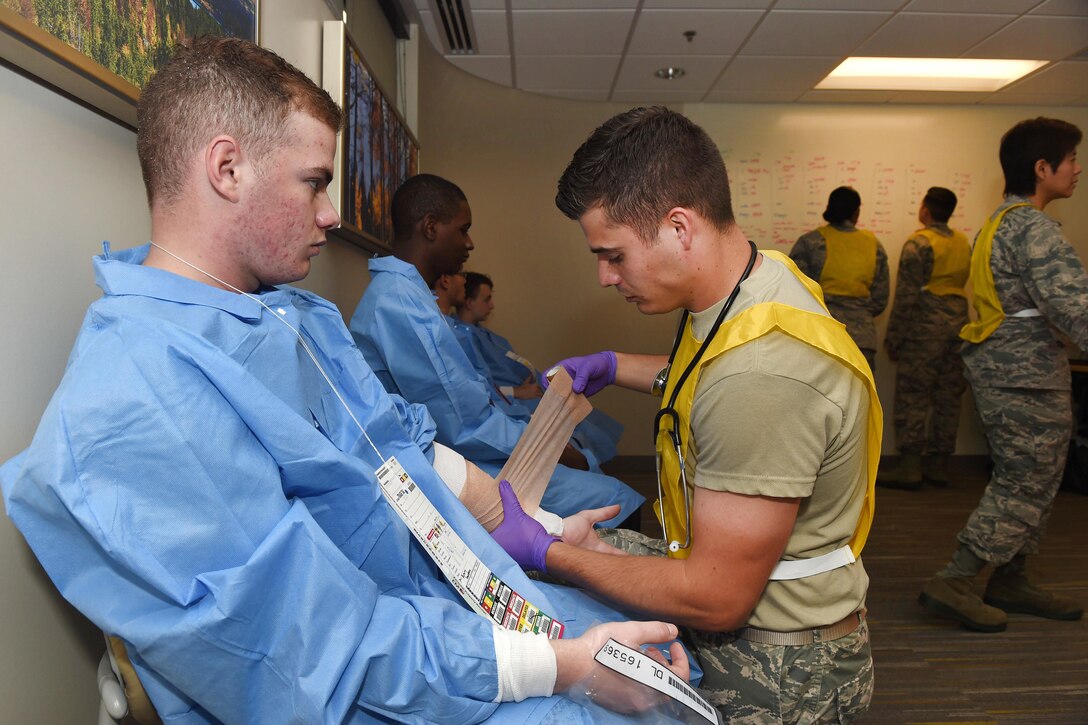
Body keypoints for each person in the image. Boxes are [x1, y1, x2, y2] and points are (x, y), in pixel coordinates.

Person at [0, 38, 690, 723]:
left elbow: (399, 451)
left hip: (430, 613)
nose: (332, 213)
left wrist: (533, 529)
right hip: (373, 676)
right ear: (228, 168)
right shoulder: (133, 399)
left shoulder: (285, 314)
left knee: (656, 656)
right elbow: (311, 658)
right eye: (315, 181)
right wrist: (562, 665)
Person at [496, 106, 880, 722]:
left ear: (679, 228)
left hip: (779, 671)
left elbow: (716, 598)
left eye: (614, 255)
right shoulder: (759, 279)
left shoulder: (763, 374)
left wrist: (551, 555)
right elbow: (711, 377)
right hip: (767, 614)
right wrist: (618, 364)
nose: (604, 276)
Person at [349, 174, 644, 525]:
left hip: (466, 449)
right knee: (618, 499)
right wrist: (547, 446)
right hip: (455, 463)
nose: (469, 243)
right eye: (463, 229)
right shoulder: (400, 304)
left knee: (596, 476)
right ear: (430, 227)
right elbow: (464, 425)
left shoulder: (409, 298)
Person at [919, 117, 1087, 633]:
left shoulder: (1001, 220)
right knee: (1025, 479)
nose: (1077, 170)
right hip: (1024, 372)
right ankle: (958, 578)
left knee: (1036, 475)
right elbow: (1074, 308)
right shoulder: (1034, 229)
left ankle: (1011, 577)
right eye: (1070, 161)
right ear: (1042, 169)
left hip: (1013, 367)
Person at [455, 271, 624, 463]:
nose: (492, 305)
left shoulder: (485, 335)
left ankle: (594, 467)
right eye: (487, 299)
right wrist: (515, 391)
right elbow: (475, 386)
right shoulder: (464, 337)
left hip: (530, 394)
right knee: (573, 427)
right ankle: (591, 470)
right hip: (516, 402)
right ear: (469, 302)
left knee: (584, 416)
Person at [878, 187, 971, 490]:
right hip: (958, 324)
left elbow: (906, 296)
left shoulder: (919, 243)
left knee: (914, 395)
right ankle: (939, 465)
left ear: (926, 211)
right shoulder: (962, 242)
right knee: (948, 397)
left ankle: (909, 467)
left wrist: (895, 337)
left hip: (924, 328)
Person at [790, 186, 890, 371]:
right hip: (862, 340)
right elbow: (880, 298)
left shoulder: (810, 242)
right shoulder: (873, 244)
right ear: (856, 212)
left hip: (820, 337)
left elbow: (794, 291)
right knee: (861, 398)